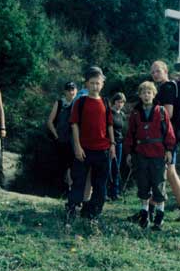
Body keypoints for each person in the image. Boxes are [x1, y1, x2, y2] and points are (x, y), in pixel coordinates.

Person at [67, 66, 115, 222]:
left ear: (102, 84)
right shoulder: (80, 102)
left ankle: (93, 212)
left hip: (102, 150)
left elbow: (109, 125)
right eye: (92, 83)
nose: (95, 86)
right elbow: (74, 125)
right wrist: (77, 146)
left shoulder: (106, 103)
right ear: (86, 84)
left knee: (100, 184)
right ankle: (72, 208)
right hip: (84, 149)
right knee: (78, 181)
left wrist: (112, 144)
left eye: (98, 83)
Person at [125, 82, 176, 230]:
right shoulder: (135, 113)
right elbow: (130, 135)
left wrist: (169, 150)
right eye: (143, 93)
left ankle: (159, 217)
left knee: (158, 184)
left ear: (154, 95)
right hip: (141, 153)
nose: (146, 95)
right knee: (143, 185)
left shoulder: (161, 112)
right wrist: (129, 152)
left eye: (149, 92)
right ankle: (144, 215)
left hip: (158, 153)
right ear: (140, 95)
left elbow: (169, 132)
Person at [150, 60, 180, 221]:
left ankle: (153, 209)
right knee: (168, 173)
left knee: (168, 173)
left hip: (167, 137)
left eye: (158, 71)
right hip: (167, 136)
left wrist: (149, 118)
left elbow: (168, 113)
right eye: (152, 72)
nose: (154, 74)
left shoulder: (167, 88)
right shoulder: (167, 87)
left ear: (165, 71)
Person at [47, 81, 78, 196]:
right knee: (62, 165)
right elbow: (50, 121)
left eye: (73, 89)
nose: (71, 91)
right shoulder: (60, 103)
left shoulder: (79, 103)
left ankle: (70, 189)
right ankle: (60, 190)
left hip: (74, 140)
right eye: (69, 89)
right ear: (65, 91)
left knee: (73, 165)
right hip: (62, 139)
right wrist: (56, 135)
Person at [108, 92, 127, 200]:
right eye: (118, 102)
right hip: (109, 143)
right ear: (114, 101)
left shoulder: (122, 115)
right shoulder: (109, 113)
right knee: (108, 168)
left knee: (116, 168)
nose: (120, 104)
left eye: (122, 102)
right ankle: (105, 193)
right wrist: (111, 143)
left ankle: (114, 193)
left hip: (119, 143)